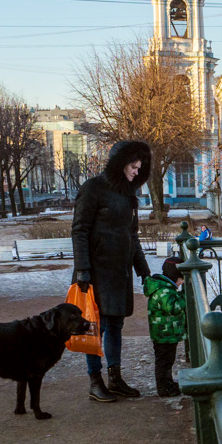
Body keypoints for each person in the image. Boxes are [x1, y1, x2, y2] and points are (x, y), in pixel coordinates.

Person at [72, 140, 153, 403]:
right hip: (95, 271)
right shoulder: (93, 188)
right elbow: (80, 230)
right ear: (120, 164)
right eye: (133, 166)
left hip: (120, 272)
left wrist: (144, 270)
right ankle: (95, 381)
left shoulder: (129, 195)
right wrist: (83, 269)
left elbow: (132, 236)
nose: (136, 172)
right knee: (96, 326)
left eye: (140, 167)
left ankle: (114, 379)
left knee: (116, 324)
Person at [144, 256, 189, 398]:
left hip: (167, 334)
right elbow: (173, 307)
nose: (182, 283)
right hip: (164, 335)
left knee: (168, 360)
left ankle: (168, 383)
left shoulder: (166, 288)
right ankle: (163, 387)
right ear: (176, 276)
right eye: (181, 280)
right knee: (164, 361)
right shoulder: (164, 291)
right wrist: (184, 296)